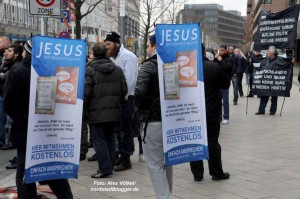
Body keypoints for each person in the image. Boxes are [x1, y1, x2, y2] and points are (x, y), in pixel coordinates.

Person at [4, 40, 73, 199]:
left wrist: (23, 118)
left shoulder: (19, 71)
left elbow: (9, 103)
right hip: (49, 128)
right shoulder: (53, 71)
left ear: (25, 53)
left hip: (26, 129)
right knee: (53, 168)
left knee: (25, 172)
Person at [135, 35, 172, 199]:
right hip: (170, 120)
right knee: (167, 160)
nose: (147, 49)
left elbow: (139, 92)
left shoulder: (148, 66)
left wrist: (143, 109)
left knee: (155, 164)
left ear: (155, 46)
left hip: (153, 120)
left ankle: (164, 197)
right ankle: (167, 194)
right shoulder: (173, 64)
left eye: (149, 46)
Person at [84, 42, 127, 178]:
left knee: (99, 141)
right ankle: (110, 165)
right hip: (114, 112)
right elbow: (124, 90)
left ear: (94, 54)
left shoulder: (89, 70)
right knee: (110, 138)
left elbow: (86, 93)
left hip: (96, 113)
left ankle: (105, 169)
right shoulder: (117, 69)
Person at [190, 43, 231, 181]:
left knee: (195, 141)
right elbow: (225, 84)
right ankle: (216, 172)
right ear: (204, 52)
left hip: (192, 113)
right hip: (210, 110)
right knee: (212, 142)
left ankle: (197, 173)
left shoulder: (186, 68)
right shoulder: (213, 67)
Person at [104, 31, 138, 172]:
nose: (107, 47)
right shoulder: (114, 57)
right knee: (118, 130)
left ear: (116, 44)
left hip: (126, 99)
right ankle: (120, 155)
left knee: (125, 129)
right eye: (105, 45)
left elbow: (129, 81)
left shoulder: (127, 57)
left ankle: (126, 158)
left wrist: (123, 97)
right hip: (117, 99)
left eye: (109, 44)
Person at [255, 46, 289, 115]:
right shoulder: (266, 59)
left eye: (268, 51)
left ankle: (272, 110)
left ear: (272, 53)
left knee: (274, 96)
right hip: (266, 81)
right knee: (264, 95)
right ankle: (261, 110)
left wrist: (292, 61)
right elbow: (259, 64)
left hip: (274, 82)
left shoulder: (279, 59)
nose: (267, 52)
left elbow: (287, 63)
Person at [215, 44, 234, 124]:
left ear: (226, 50)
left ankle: (226, 117)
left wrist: (220, 60)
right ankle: (219, 116)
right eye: (220, 50)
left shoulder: (229, 59)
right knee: (217, 101)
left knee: (225, 101)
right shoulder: (218, 57)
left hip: (225, 82)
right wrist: (216, 59)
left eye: (223, 50)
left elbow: (227, 68)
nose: (221, 51)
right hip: (217, 82)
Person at [0, 36, 11, 148]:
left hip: (5, 94)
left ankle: (5, 142)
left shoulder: (13, 65)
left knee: (6, 120)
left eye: (9, 51)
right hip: (3, 93)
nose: (6, 53)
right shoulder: (4, 62)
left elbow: (4, 77)